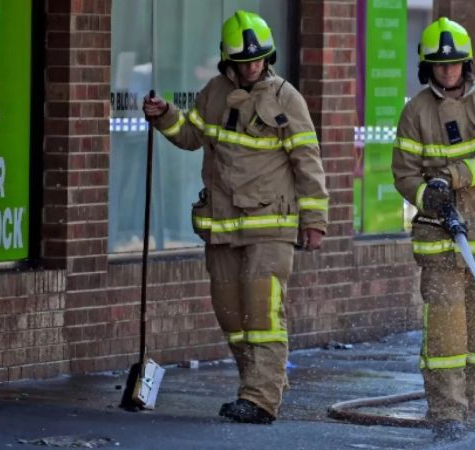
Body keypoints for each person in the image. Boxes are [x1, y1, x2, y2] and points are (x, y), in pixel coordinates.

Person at [142, 10, 328, 424]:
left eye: (258, 59)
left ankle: (261, 398)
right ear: (227, 60)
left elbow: (308, 161)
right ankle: (262, 382)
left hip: (271, 226)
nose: (252, 67)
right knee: (231, 314)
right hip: (223, 227)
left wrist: (313, 220)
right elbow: (191, 136)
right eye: (243, 61)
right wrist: (165, 116)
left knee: (262, 313)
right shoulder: (213, 93)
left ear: (269, 57)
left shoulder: (286, 98)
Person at [391, 17, 475, 441]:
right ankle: (447, 413)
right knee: (446, 335)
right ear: (427, 68)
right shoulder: (416, 113)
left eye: (455, 64)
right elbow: (404, 174)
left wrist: (453, 176)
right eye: (439, 66)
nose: (448, 72)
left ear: (467, 64)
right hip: (441, 240)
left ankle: (471, 411)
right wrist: (429, 196)